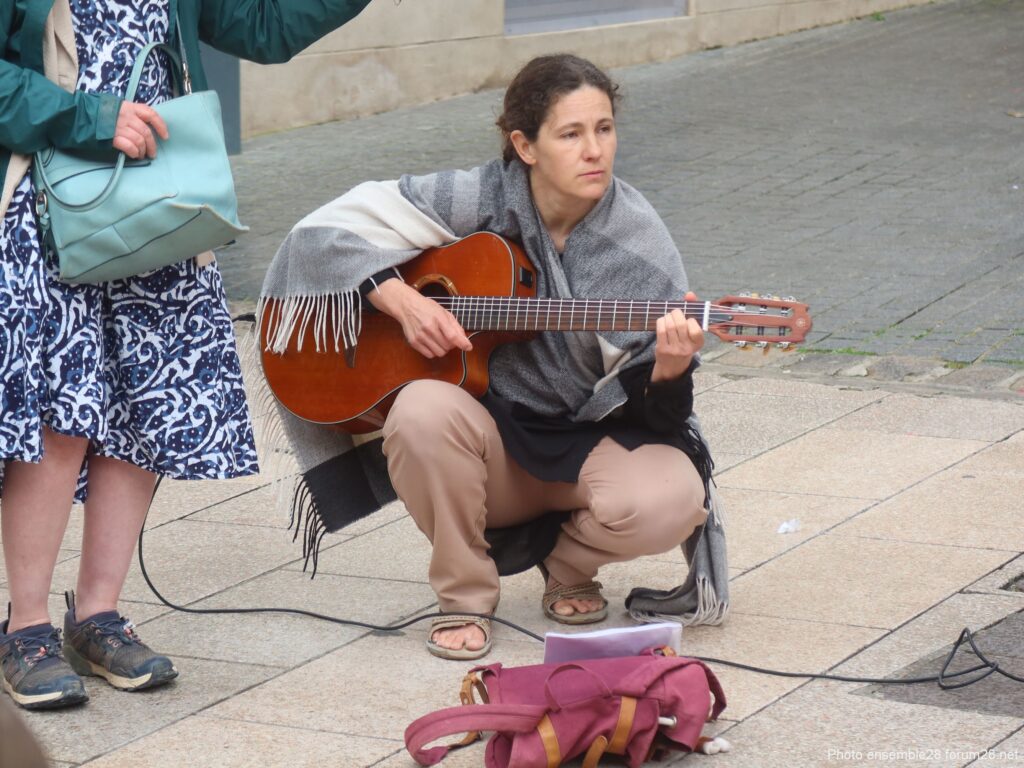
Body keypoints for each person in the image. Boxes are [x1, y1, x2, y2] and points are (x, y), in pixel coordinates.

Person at [259, 53, 723, 660]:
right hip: (486, 445)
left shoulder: (637, 238)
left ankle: (567, 564)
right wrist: (399, 298)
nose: (595, 151)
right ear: (525, 146)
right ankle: (465, 597)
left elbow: (658, 421)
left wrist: (670, 367)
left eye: (605, 129)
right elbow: (317, 236)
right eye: (571, 134)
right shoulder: (477, 197)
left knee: (675, 499)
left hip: (586, 446)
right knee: (417, 411)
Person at [0, 0, 375, 709]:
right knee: (60, 411)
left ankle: (99, 614)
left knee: (152, 397)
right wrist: (88, 118)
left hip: (158, 196)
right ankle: (26, 627)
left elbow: (263, 26)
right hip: (47, 201)